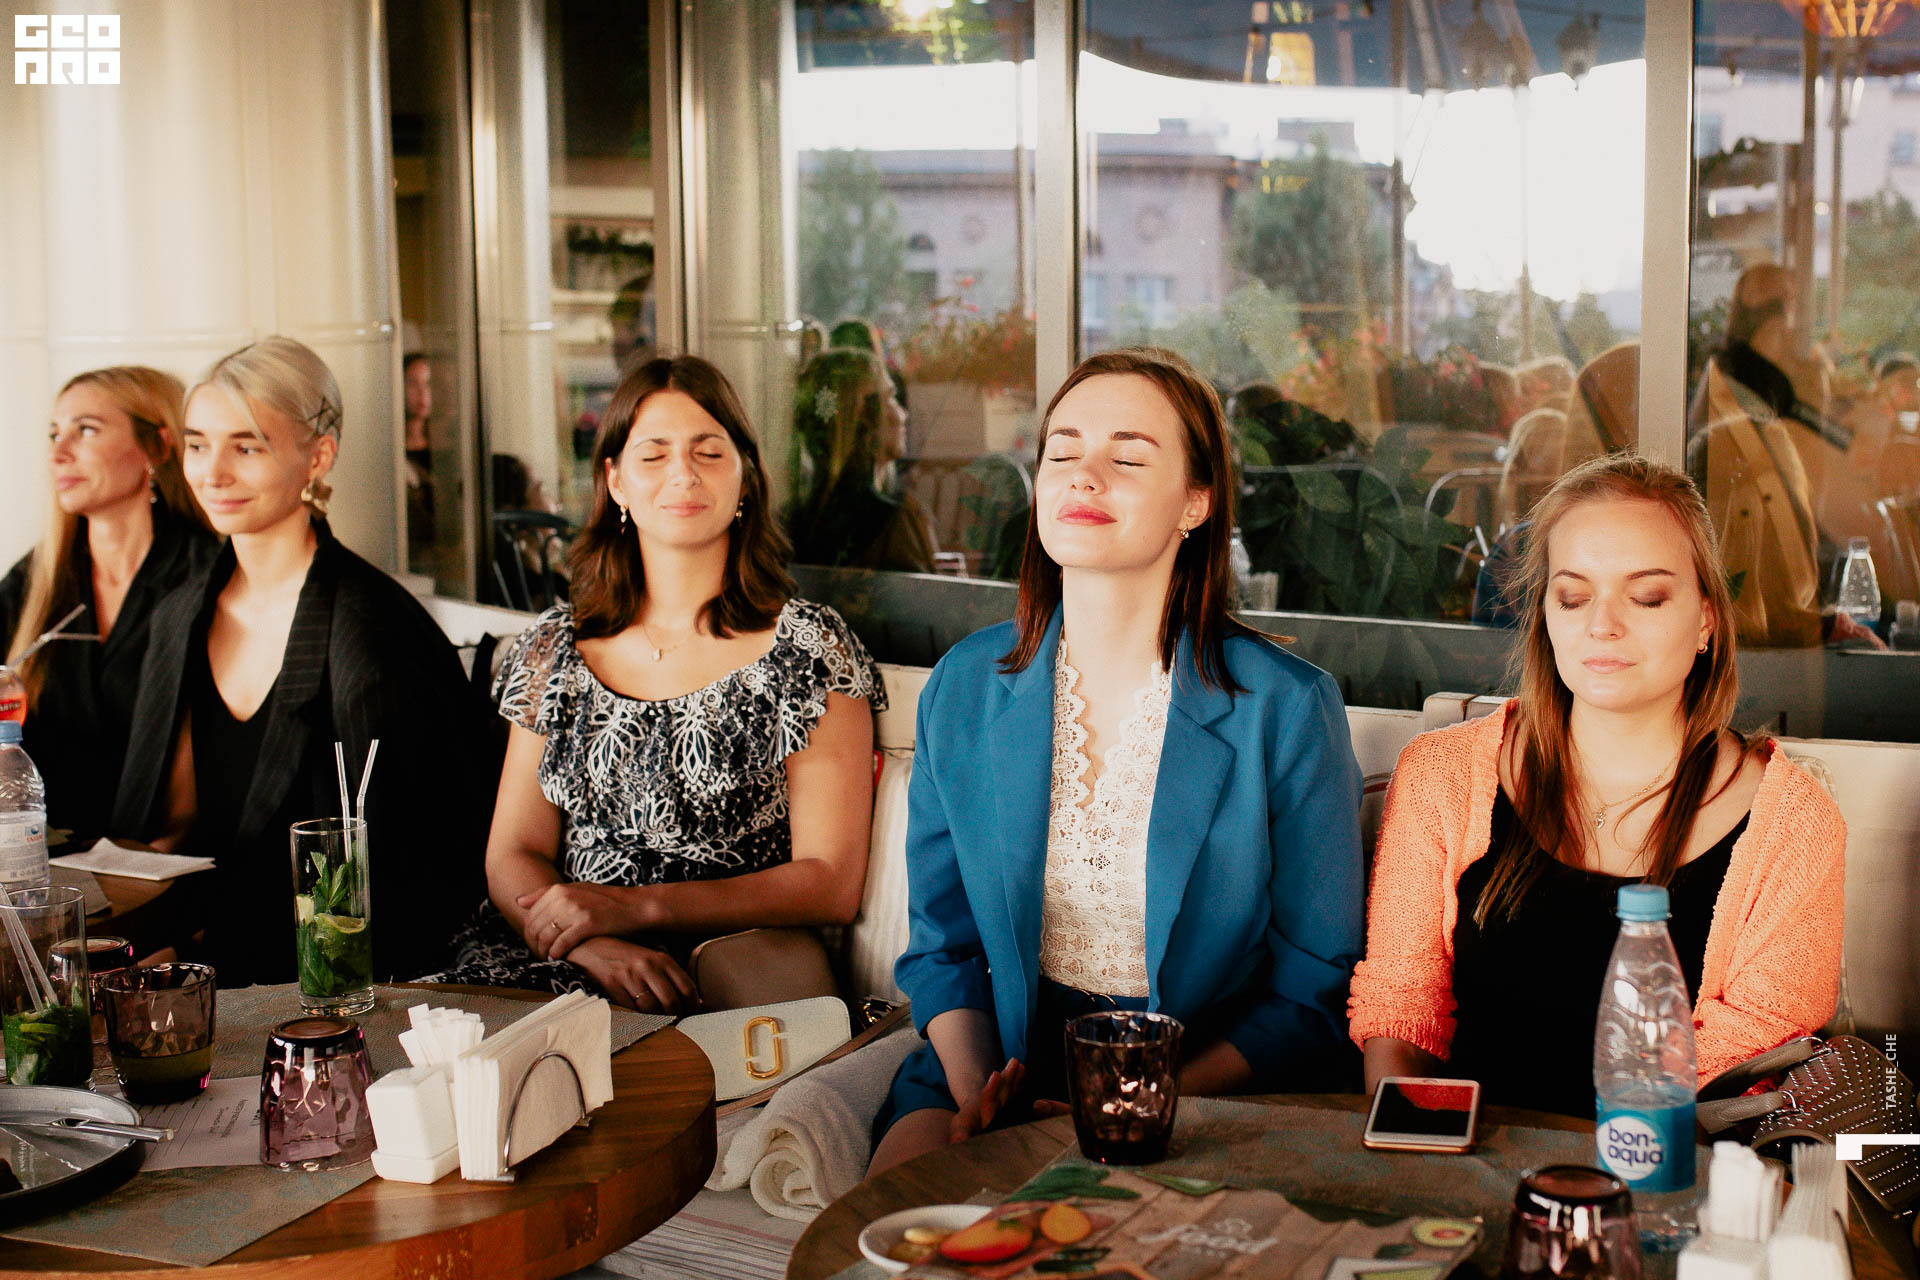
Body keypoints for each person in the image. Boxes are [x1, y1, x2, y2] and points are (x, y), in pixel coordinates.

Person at [871, 347, 1366, 1174]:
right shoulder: (965, 684)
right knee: (904, 1208)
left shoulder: (1286, 707)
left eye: (1127, 458)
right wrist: (981, 1093)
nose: (1085, 476)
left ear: (1197, 502)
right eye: (1061, 454)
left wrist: (1145, 1095)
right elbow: (941, 948)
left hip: (1208, 1078)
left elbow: (1312, 986)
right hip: (1000, 1055)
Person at [1350, 453, 1846, 1119]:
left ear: (1705, 619)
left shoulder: (1795, 824)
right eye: (1573, 596)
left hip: (1671, 1170)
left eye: (1647, 597)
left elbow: (1755, 1059)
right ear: (1545, 615)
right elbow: (1400, 1005)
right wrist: (1411, 1147)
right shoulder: (1439, 776)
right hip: (1461, 1166)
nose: (1602, 624)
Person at [431, 354, 885, 1011]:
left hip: (719, 976)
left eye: (709, 452)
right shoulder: (554, 650)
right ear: (614, 480)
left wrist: (633, 908)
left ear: (746, 478)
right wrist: (588, 943)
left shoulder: (808, 651)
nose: (683, 473)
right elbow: (513, 851)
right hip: (558, 958)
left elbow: (830, 882)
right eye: (653, 454)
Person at [112, 336, 498, 986]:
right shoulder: (179, 613)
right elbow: (163, 832)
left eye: (247, 447)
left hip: (338, 971)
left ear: (318, 457)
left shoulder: (372, 633)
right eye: (199, 445)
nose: (213, 473)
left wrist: (199, 953)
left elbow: (404, 875)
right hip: (207, 943)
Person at [0, 368, 215, 835]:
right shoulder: (29, 583)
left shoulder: (210, 575)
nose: (58, 453)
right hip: (43, 856)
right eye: (55, 434)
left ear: (158, 447)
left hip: (173, 857)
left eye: (86, 430)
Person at [789, 348, 938, 573]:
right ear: (867, 418)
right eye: (890, 398)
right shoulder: (896, 521)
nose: (903, 414)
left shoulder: (789, 523)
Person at [402, 352, 435, 552]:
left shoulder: (444, 449)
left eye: (428, 384)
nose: (422, 392)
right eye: (412, 384)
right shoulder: (393, 452)